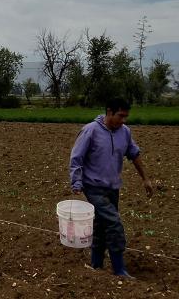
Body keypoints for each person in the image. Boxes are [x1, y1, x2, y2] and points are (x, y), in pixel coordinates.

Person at [69, 97, 154, 277]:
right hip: (93, 187)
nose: (123, 120)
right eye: (120, 116)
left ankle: (96, 265)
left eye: (126, 117)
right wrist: (76, 181)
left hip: (113, 187)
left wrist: (145, 179)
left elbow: (134, 154)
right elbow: (77, 157)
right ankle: (119, 269)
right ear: (109, 112)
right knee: (114, 224)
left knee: (101, 226)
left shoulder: (125, 132)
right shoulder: (90, 131)